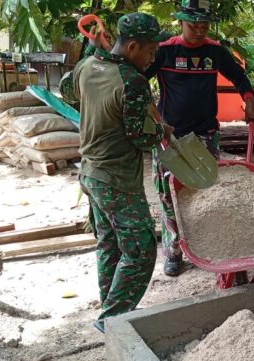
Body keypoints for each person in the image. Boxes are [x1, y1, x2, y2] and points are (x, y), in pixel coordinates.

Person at [143, 0, 254, 277]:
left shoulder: (215, 51)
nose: (198, 31)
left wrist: (249, 100)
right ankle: (173, 252)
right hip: (169, 135)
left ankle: (210, 248)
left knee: (207, 193)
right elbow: (136, 84)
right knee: (168, 193)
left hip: (206, 133)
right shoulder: (165, 51)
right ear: (180, 22)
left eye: (204, 26)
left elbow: (239, 77)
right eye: (193, 25)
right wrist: (158, 123)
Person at [73, 13, 173, 333]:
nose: (152, 58)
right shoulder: (133, 80)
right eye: (150, 52)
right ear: (132, 47)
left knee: (110, 244)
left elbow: (68, 90)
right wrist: (162, 131)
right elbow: (138, 136)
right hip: (116, 179)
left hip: (89, 172)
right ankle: (112, 318)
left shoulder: (87, 66)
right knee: (142, 250)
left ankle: (112, 308)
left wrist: (92, 50)